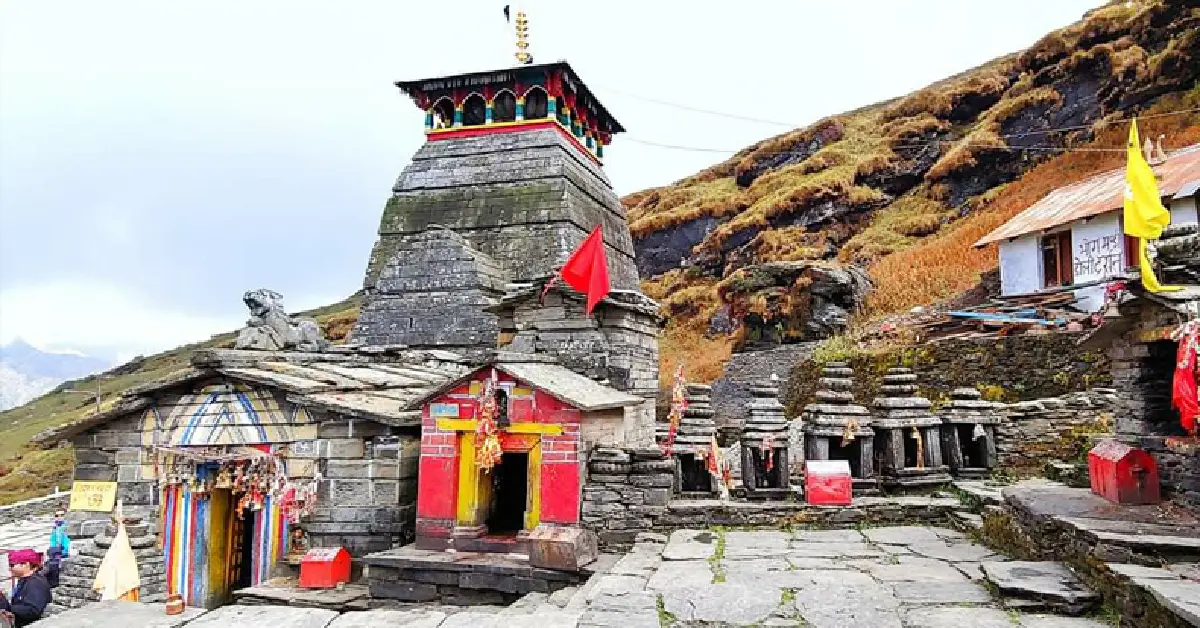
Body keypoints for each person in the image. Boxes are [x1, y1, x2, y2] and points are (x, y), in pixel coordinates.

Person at [1, 549, 51, 627]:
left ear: (26, 564)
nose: (9, 569)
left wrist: (8, 607)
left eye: (12, 565)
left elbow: (33, 611)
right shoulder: (25, 580)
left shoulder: (36, 583)